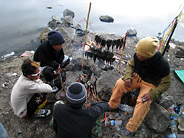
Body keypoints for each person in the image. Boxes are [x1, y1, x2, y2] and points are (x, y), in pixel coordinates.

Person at [108, 37, 171, 137]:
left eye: (140, 54)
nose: (137, 55)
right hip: (137, 77)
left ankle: (131, 127)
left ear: (148, 55)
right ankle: (113, 105)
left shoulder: (163, 64)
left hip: (150, 84)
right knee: (120, 83)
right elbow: (130, 65)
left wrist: (152, 94)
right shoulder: (138, 55)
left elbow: (166, 83)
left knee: (143, 102)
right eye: (137, 52)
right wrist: (128, 76)